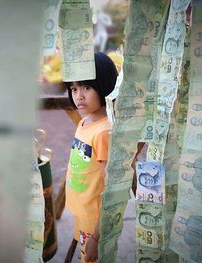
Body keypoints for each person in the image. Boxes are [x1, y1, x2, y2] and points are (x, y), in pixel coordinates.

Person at [64, 52, 118, 263]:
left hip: (96, 220)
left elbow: (111, 187)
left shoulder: (104, 132)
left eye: (87, 87)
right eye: (74, 89)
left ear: (103, 85)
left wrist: (96, 235)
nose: (79, 96)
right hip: (82, 210)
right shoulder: (85, 122)